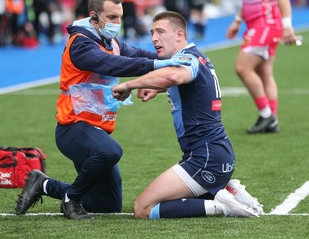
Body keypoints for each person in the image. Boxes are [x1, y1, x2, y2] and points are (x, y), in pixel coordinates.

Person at [15, 0, 190, 220]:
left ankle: (44, 185)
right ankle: (71, 200)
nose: (117, 22)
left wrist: (173, 58)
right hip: (73, 127)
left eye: (119, 16)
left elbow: (136, 53)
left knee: (107, 204)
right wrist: (160, 66)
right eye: (111, 17)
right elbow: (113, 64)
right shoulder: (80, 43)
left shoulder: (109, 40)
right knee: (110, 150)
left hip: (94, 129)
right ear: (94, 16)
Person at [112, 11, 263, 219]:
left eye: (161, 31)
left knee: (143, 209)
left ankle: (220, 206)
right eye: (152, 32)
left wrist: (129, 84)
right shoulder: (197, 56)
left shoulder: (187, 59)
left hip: (205, 159)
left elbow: (174, 74)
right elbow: (191, 86)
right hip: (215, 154)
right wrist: (159, 88)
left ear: (179, 34)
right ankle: (226, 191)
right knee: (159, 203)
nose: (154, 37)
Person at [226, 0, 297, 134]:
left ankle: (267, 115)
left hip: (266, 25)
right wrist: (237, 21)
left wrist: (288, 25)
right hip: (256, 25)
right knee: (265, 73)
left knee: (242, 68)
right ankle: (272, 121)